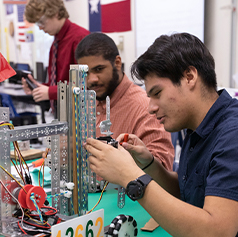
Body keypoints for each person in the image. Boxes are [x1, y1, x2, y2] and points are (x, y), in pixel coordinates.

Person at [85, 32, 238, 237]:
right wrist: (149, 165)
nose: (151, 108)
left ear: (189, 77)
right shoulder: (196, 126)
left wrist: (131, 176)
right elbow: (191, 193)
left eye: (157, 93)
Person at [75, 33, 174, 170]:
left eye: (99, 69)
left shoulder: (145, 106)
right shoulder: (86, 105)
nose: (92, 79)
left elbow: (162, 172)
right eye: (85, 73)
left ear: (117, 63)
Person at [22, 0, 89, 117]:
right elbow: (60, 82)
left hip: (80, 115)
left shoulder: (80, 38)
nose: (41, 28)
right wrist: (40, 89)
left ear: (56, 13)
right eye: (38, 24)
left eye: (42, 22)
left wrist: (51, 92)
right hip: (62, 112)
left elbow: (86, 82)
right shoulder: (55, 44)